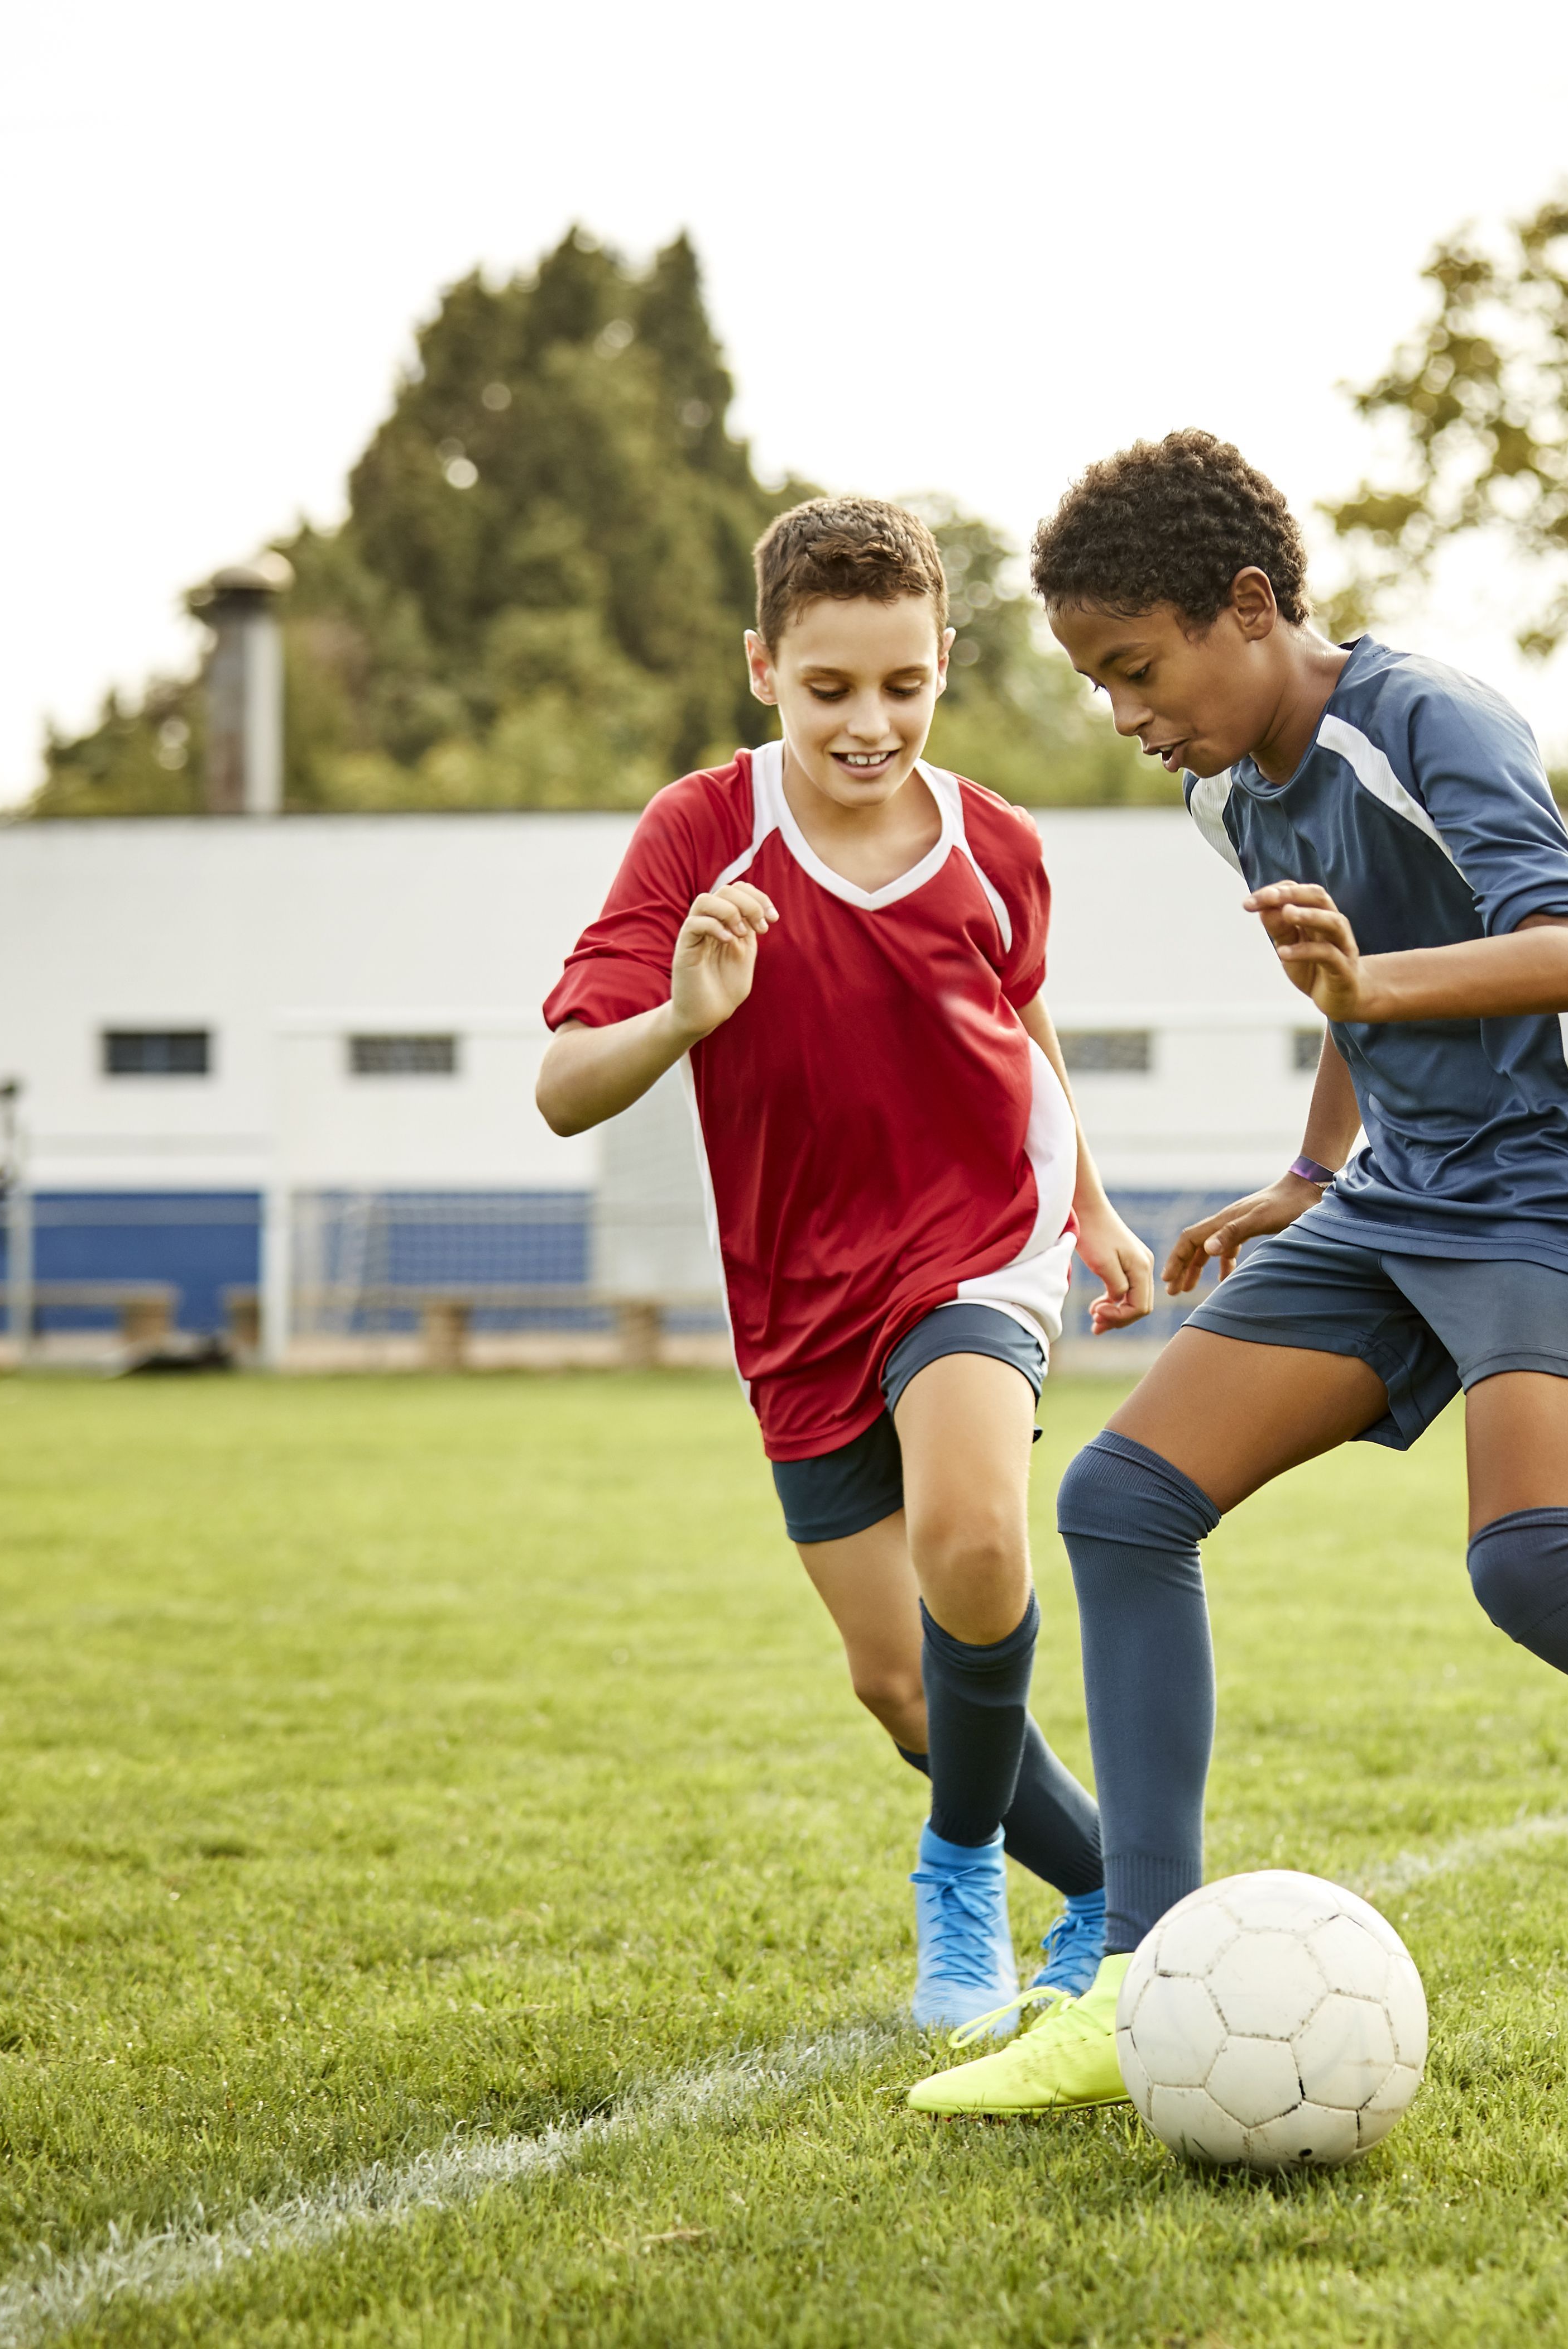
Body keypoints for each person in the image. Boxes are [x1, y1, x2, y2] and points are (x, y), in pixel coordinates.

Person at [908, 432, 1568, 2139]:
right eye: (1098, 681)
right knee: (1123, 1500)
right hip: (1400, 1190)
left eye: (1135, 667)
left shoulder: (1424, 716)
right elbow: (1347, 986)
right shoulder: (1222, 785)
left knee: (1534, 1566)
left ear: (1248, 607)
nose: (1125, 713)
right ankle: (1137, 1972)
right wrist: (1305, 1174)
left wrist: (1375, 986)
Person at [536, 496, 1155, 2034]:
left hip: (973, 1249)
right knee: (898, 1686)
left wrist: (1089, 1205)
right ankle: (1098, 1886)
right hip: (796, 1295)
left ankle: (955, 1874)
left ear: (944, 660)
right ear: (762, 668)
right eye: (829, 690)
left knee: (974, 1537)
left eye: (903, 684)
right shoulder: (696, 836)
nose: (869, 722)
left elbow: (1019, 1027)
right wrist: (683, 1016)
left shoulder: (999, 842)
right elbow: (561, 1089)